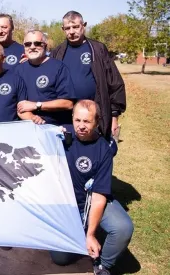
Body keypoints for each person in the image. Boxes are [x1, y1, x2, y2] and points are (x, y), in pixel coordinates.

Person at [50, 100, 133, 275]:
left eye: (87, 122)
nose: (80, 126)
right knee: (60, 258)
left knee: (122, 228)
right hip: (66, 206)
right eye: (77, 120)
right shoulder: (59, 135)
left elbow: (99, 195)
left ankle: (103, 265)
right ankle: (79, 232)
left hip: (90, 201)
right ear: (72, 118)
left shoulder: (104, 149)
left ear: (97, 122)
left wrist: (91, 234)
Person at [50, 11, 126, 140]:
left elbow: (115, 83)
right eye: (67, 28)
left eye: (75, 27)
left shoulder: (98, 49)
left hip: (94, 116)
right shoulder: (57, 52)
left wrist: (114, 117)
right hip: (65, 116)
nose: (72, 31)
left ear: (83, 25)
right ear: (63, 29)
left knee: (93, 152)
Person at [15, 30, 76, 126]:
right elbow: (19, 105)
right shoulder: (18, 70)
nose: (32, 47)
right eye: (28, 44)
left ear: (45, 45)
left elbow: (68, 103)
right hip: (28, 127)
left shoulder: (58, 67)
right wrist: (32, 118)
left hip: (56, 127)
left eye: (37, 43)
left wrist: (37, 105)